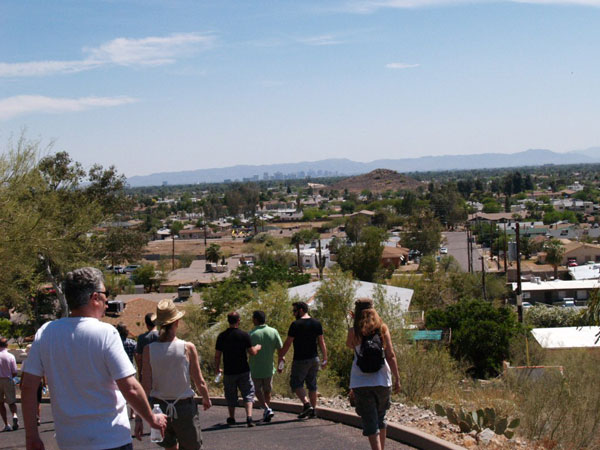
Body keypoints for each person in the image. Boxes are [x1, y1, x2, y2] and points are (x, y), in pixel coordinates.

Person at [21, 267, 167, 450]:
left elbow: (28, 385)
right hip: (111, 439)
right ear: (95, 297)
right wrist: (152, 419)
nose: (107, 301)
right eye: (106, 294)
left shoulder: (46, 332)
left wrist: (32, 436)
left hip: (69, 442)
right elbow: (129, 387)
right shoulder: (106, 333)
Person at [140, 299, 211, 450]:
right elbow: (199, 380)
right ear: (177, 322)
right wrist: (206, 398)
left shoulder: (149, 350)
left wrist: (141, 417)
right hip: (184, 407)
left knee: (170, 446)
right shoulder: (187, 347)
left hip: (160, 408)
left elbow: (145, 385)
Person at [346, 299, 400, 450]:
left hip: (360, 382)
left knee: (370, 422)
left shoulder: (353, 332)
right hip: (383, 380)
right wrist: (397, 379)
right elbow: (391, 355)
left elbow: (350, 345)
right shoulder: (382, 329)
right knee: (380, 418)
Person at [278, 301, 328, 419]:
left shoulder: (296, 324)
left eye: (294, 311)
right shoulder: (316, 323)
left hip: (301, 359)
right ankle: (313, 410)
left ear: (301, 310)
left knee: (296, 383)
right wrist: (325, 357)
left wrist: (281, 356)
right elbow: (321, 341)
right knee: (312, 385)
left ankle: (306, 404)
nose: (293, 313)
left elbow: (288, 343)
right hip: (314, 359)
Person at [215, 311, 261, 427]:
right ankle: (249, 417)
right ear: (238, 320)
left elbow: (217, 355)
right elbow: (252, 352)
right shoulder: (244, 335)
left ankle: (231, 417)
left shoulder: (222, 336)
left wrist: (217, 368)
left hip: (229, 371)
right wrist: (257, 347)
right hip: (243, 370)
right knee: (248, 393)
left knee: (230, 394)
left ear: (228, 321)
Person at [248, 310, 282, 422]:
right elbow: (280, 348)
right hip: (268, 368)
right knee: (267, 391)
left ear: (256, 320)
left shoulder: (251, 334)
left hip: (255, 368)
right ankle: (267, 410)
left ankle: (266, 409)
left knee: (257, 391)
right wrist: (280, 362)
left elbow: (249, 351)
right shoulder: (273, 332)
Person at [0, 337, 18, 432]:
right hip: (8, 379)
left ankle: (6, 424)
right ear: (7, 345)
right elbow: (14, 371)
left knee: (1, 403)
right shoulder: (10, 356)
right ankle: (14, 415)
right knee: (11, 401)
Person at [135, 312, 159, 378]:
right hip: (161, 371)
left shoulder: (141, 338)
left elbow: (139, 357)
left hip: (147, 372)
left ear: (146, 324)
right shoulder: (162, 336)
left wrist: (140, 373)